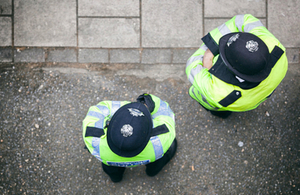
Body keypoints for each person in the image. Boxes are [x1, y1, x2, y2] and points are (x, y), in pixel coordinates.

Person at [185, 14, 288, 118]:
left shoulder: (218, 92)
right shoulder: (277, 49)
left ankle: (222, 114)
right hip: (256, 97)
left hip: (214, 101)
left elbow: (192, 65)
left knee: (217, 108)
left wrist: (209, 53)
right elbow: (245, 19)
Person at [82, 93, 177, 182]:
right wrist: (145, 103)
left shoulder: (94, 139)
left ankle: (116, 178)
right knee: (160, 159)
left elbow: (99, 110)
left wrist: (125, 110)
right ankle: (152, 172)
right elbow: (164, 111)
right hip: (151, 155)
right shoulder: (160, 142)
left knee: (111, 168)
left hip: (109, 157)